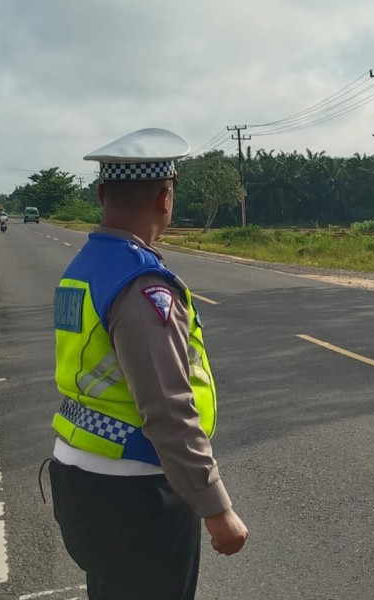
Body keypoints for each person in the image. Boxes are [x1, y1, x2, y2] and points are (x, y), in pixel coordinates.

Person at [48, 128, 248, 599]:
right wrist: (216, 509)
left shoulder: (83, 267)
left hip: (80, 476)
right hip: (136, 494)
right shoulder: (141, 284)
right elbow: (167, 407)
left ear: (101, 195)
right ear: (165, 198)